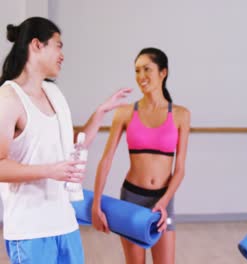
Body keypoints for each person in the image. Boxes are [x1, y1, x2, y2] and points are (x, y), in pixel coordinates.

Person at [0, 17, 131, 264]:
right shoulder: (8, 98)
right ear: (37, 45)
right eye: (58, 45)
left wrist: (101, 111)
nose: (62, 54)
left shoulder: (54, 93)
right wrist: (50, 170)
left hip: (65, 224)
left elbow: (72, 146)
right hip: (30, 232)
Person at [91, 47, 190, 264]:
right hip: (131, 199)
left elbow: (180, 169)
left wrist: (164, 202)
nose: (141, 76)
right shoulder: (125, 112)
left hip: (163, 200)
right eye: (137, 71)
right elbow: (106, 160)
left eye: (147, 69)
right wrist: (96, 204)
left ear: (163, 72)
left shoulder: (181, 115)